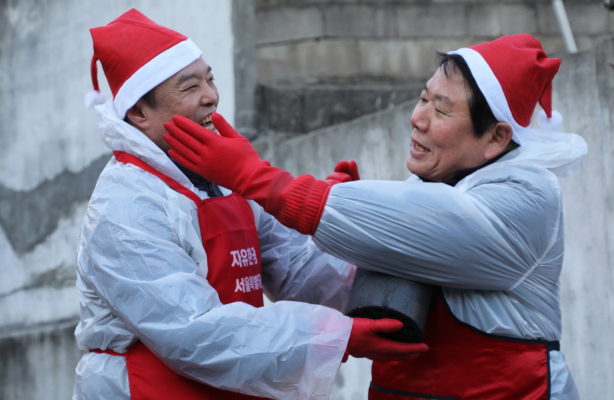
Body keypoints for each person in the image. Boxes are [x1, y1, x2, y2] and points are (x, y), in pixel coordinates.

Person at [165, 33, 588, 399]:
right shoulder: (436, 182)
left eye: (440, 110)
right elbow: (352, 279)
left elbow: (433, 229)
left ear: (496, 137)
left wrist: (257, 178)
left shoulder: (526, 198)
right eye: (422, 98)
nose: (417, 118)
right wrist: (346, 219)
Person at [74, 9, 427, 400]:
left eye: (210, 79)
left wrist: (352, 238)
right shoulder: (125, 205)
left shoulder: (220, 178)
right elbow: (193, 333)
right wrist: (335, 336)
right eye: (190, 87)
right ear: (139, 114)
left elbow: (296, 267)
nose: (211, 96)